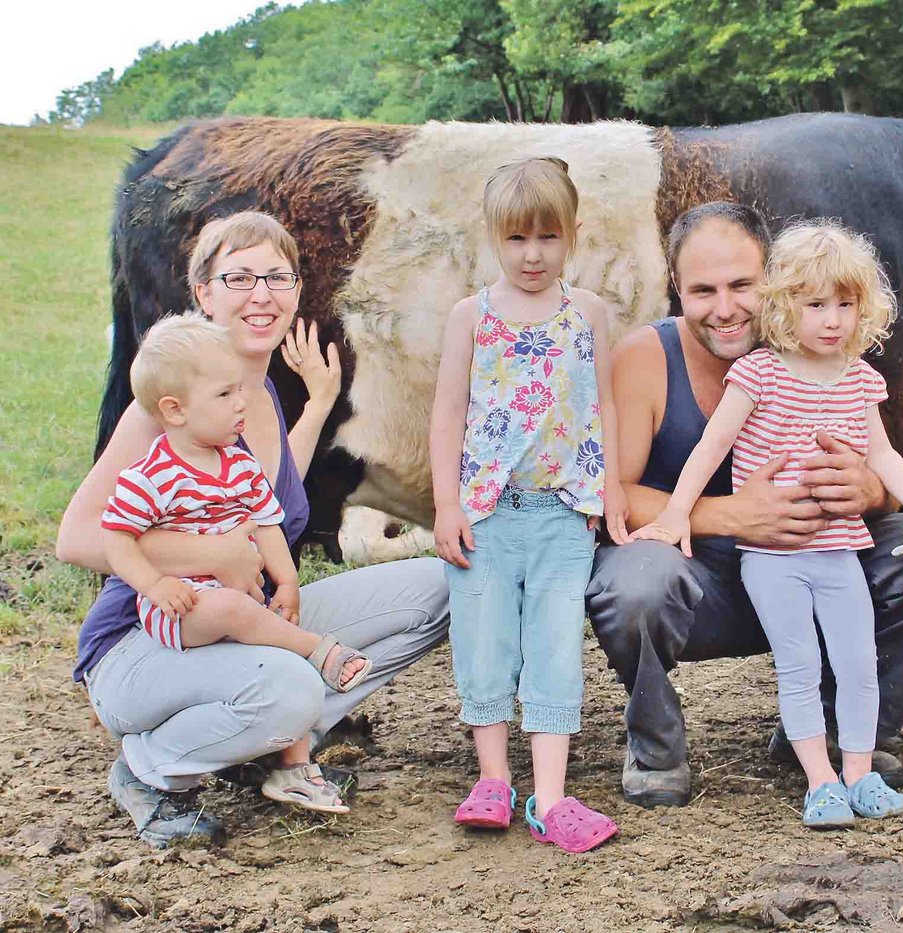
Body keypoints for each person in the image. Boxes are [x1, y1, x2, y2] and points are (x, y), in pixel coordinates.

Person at [57, 211, 450, 848]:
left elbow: (268, 495)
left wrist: (319, 402)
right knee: (291, 683)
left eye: (277, 276)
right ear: (203, 294)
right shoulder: (167, 408)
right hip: (149, 637)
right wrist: (213, 550)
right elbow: (75, 539)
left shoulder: (257, 395)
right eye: (238, 278)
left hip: (245, 616)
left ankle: (273, 745)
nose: (261, 294)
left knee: (441, 586)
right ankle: (150, 768)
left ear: (298, 291)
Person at [585, 202, 903, 808]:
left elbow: (881, 462)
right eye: (703, 290)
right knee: (632, 583)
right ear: (676, 290)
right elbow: (613, 495)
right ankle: (656, 743)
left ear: (773, 280)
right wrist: (727, 515)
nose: (725, 308)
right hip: (698, 581)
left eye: (742, 285)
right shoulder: (645, 359)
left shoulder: (827, 339)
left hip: (819, 556)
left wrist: (867, 490)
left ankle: (843, 735)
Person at [100, 313, 373, 815]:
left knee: (267, 635)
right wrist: (154, 584)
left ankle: (293, 768)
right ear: (175, 411)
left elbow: (267, 522)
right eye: (224, 395)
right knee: (241, 613)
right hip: (179, 610)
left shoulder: (238, 462)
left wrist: (287, 580)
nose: (241, 402)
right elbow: (117, 539)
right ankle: (318, 651)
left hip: (241, 604)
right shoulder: (151, 475)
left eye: (240, 390)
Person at [429, 157, 624, 853]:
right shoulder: (471, 317)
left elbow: (601, 403)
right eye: (516, 239)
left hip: (562, 512)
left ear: (573, 234)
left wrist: (612, 490)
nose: (532, 254)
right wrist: (446, 503)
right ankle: (492, 779)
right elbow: (449, 411)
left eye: (547, 236)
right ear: (493, 238)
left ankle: (550, 795)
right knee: (485, 642)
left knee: (554, 644)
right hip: (486, 512)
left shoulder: (588, 314)